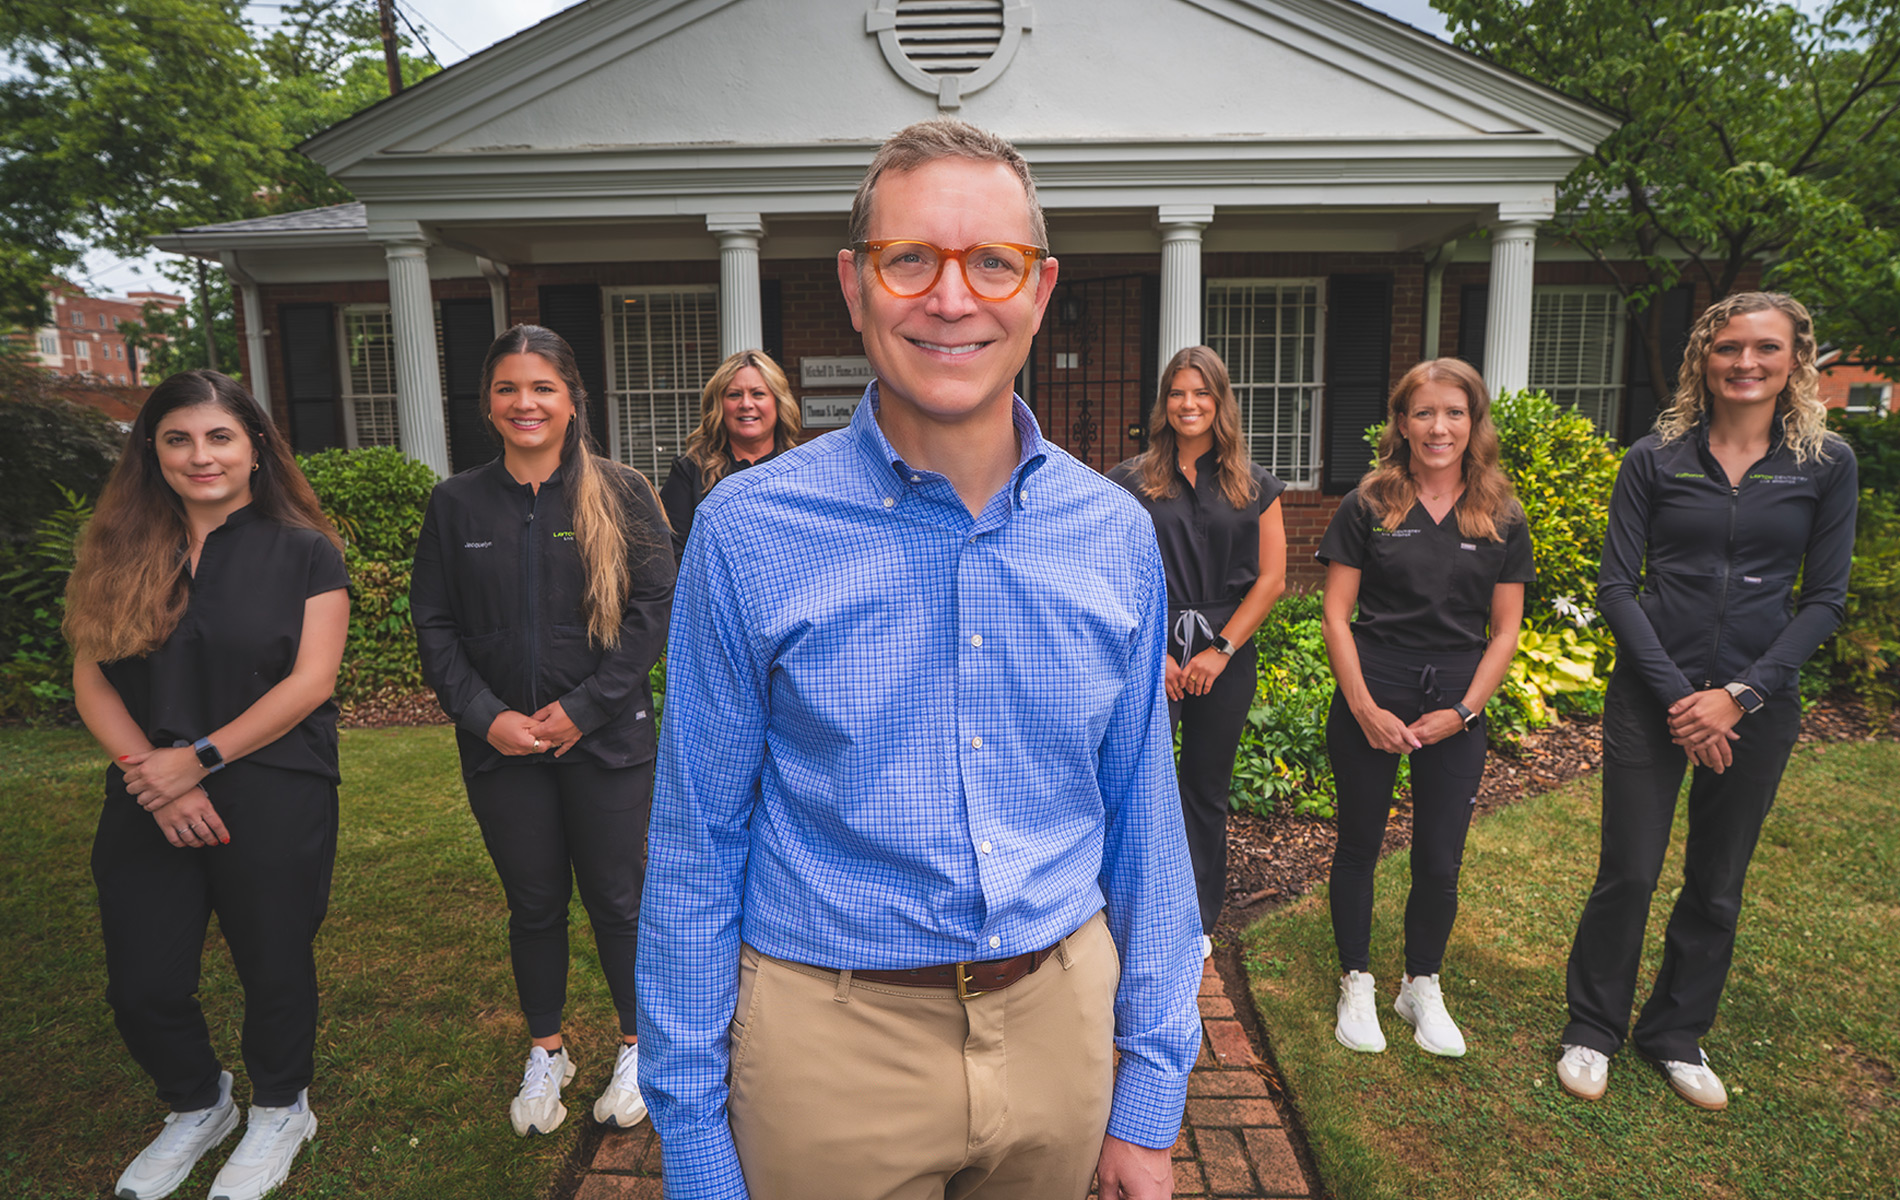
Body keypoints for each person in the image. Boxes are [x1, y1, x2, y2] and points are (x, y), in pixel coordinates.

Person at [636, 118, 1201, 1200]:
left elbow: (1143, 817)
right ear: (855, 286)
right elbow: (694, 843)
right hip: (826, 1043)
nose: (953, 297)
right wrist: (695, 1139)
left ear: (1039, 288)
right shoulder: (750, 532)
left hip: (1058, 1025)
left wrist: (1148, 1094)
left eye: (994, 260)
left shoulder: (1114, 531)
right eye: (911, 259)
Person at [1556, 292, 1856, 1110]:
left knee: (1718, 879)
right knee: (1629, 867)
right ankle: (1592, 1027)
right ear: (1704, 358)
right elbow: (1618, 586)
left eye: (1765, 348)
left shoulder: (1826, 464)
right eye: (1728, 347)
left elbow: (1825, 599)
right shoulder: (1656, 458)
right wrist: (1684, 700)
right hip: (1653, 692)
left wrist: (1741, 695)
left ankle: (1676, 1033)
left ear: (1796, 358)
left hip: (1759, 703)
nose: (1746, 363)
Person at [65, 370, 350, 1200]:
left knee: (274, 961)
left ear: (255, 447)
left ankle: (280, 1108)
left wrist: (202, 760)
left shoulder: (304, 549)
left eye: (220, 436)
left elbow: (311, 680)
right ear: (150, 453)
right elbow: (95, 682)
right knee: (142, 981)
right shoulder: (119, 546)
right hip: (148, 786)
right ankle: (199, 1101)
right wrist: (155, 778)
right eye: (178, 439)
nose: (201, 456)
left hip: (273, 782)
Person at [410, 324, 675, 1138]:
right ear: (487, 403)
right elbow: (435, 624)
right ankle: (548, 1051)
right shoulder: (456, 503)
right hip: (504, 751)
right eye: (507, 388)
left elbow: (654, 611)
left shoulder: (622, 492)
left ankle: (638, 1047)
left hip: (607, 742)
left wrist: (585, 708)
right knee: (533, 906)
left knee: (617, 900)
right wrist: (486, 718)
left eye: (542, 388)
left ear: (571, 400)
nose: (525, 402)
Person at [1317, 358, 1531, 1059]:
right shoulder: (1369, 504)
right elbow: (1337, 615)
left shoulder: (1500, 512)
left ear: (1474, 423)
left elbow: (1505, 631)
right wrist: (1364, 708)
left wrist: (1466, 713)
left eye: (1455, 413)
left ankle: (1420, 984)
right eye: (1424, 413)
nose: (1439, 427)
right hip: (1374, 688)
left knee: (1439, 860)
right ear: (1401, 423)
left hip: (1455, 703)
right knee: (1359, 847)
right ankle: (1356, 980)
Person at [1109, 346, 1287, 956]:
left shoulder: (1254, 483)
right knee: (1135, 786)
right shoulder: (1129, 481)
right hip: (1149, 651)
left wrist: (1220, 651)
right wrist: (1152, 652)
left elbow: (1271, 580)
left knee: (1206, 789)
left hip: (1225, 652)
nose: (1189, 405)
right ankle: (1129, 907)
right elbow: (1113, 573)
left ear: (1220, 402)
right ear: (1164, 404)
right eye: (1178, 393)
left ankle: (1198, 919)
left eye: (1201, 393)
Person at [658, 349, 800, 562]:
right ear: (719, 405)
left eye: (758, 393)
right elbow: (670, 557)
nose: (746, 404)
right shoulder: (690, 473)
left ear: (778, 402)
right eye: (734, 395)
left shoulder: (800, 469)